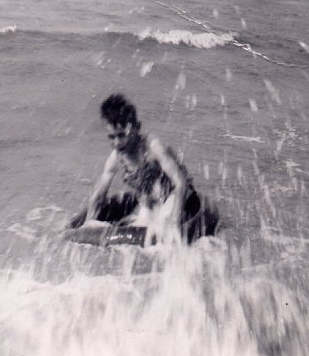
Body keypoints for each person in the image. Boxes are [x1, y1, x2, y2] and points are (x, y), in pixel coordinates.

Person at [70, 93, 218, 245]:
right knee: (139, 228)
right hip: (151, 201)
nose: (117, 143)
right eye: (111, 137)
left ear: (136, 128)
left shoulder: (153, 148)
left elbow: (180, 182)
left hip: (177, 196)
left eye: (121, 135)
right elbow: (99, 195)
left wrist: (174, 220)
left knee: (162, 231)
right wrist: (88, 226)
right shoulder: (116, 156)